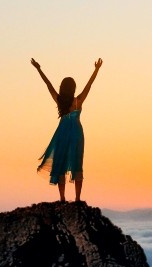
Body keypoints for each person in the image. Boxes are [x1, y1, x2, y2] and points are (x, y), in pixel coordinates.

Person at [31, 57, 102, 202]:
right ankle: (77, 199)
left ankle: (62, 198)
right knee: (77, 163)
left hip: (62, 133)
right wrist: (96, 69)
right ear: (73, 88)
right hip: (76, 133)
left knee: (61, 163)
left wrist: (39, 69)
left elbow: (48, 85)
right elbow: (89, 85)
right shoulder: (78, 101)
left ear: (62, 88)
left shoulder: (59, 101)